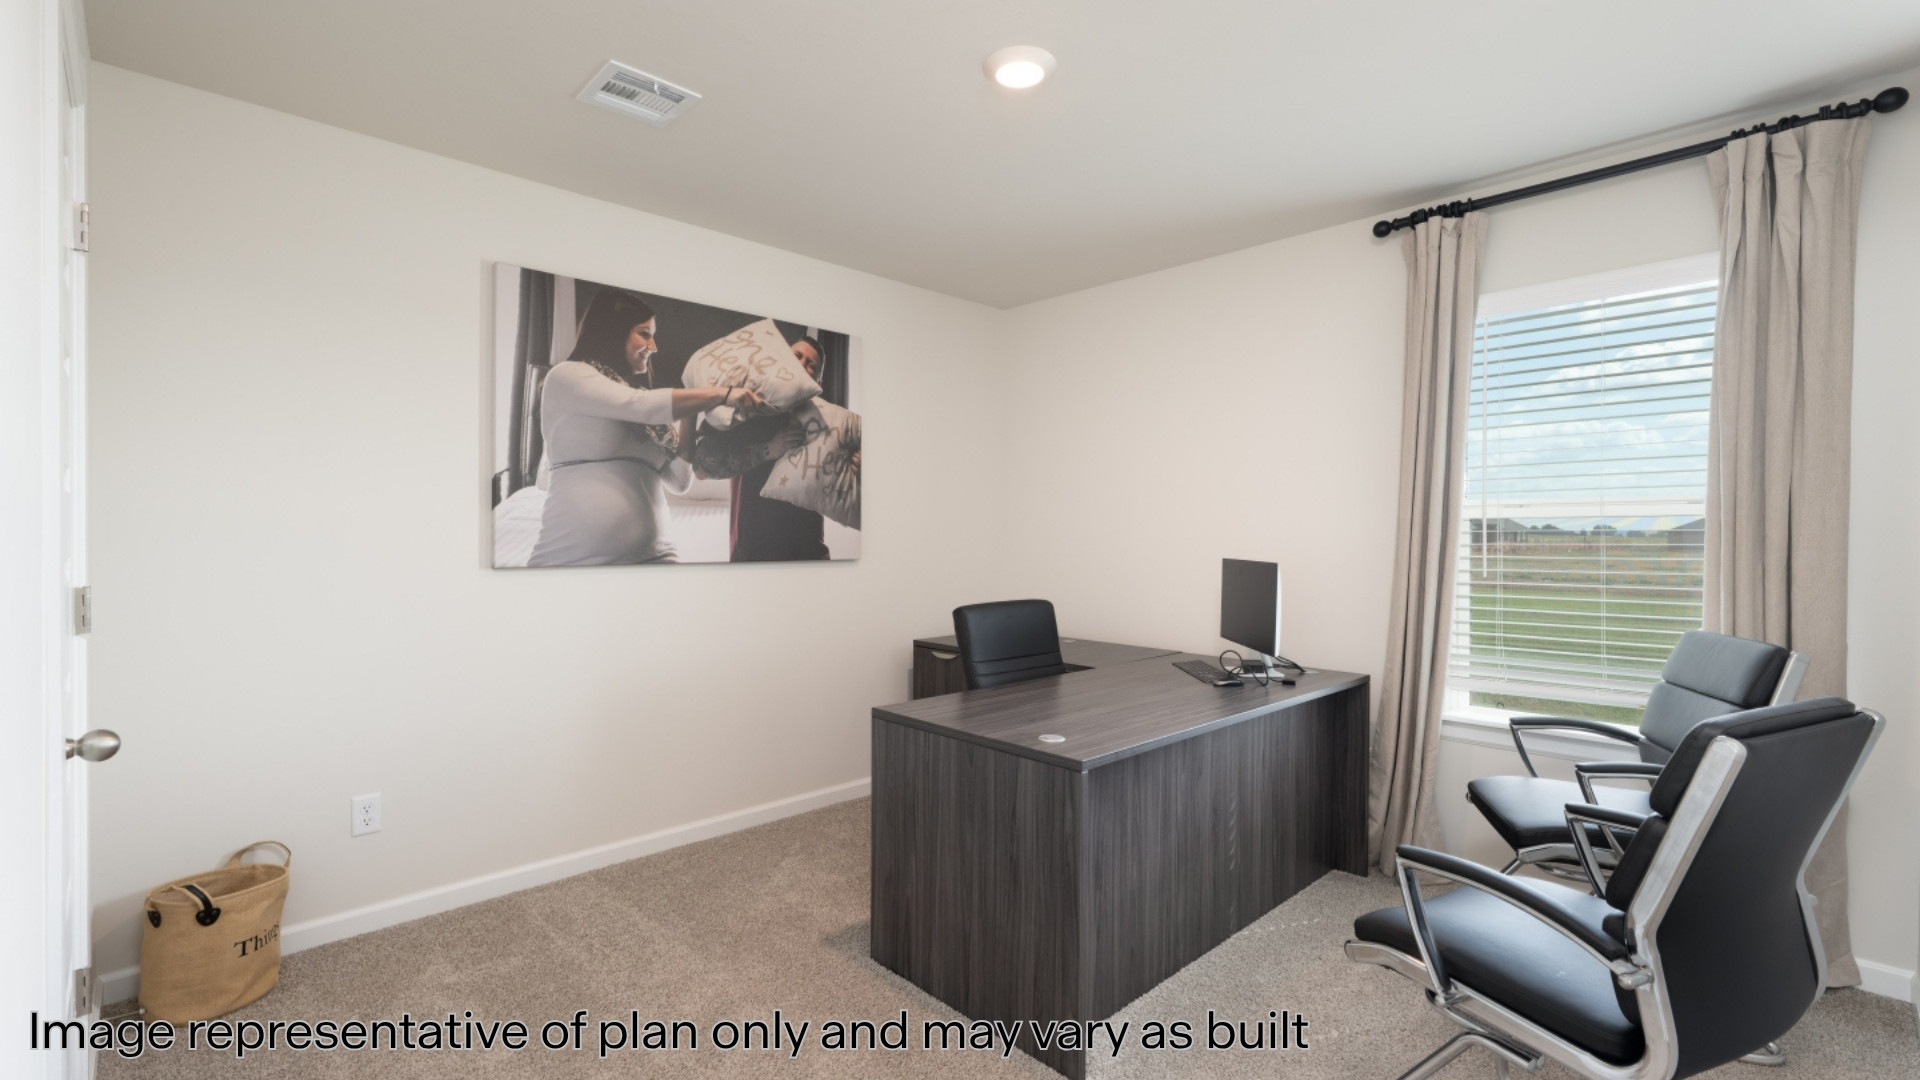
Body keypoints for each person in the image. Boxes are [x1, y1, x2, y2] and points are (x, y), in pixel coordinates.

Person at [529, 291, 766, 566]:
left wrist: (690, 413)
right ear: (612, 330)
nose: (653, 347)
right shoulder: (567, 376)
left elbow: (679, 481)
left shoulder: (646, 413)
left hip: (657, 554)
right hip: (572, 559)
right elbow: (639, 405)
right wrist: (722, 394)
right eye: (644, 334)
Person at [691, 336, 853, 561]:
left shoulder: (827, 424)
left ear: (818, 383)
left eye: (811, 365)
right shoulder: (747, 406)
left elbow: (840, 491)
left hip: (810, 556)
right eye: (797, 356)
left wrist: (855, 466)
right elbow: (701, 467)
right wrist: (768, 450)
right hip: (755, 554)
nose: (802, 364)